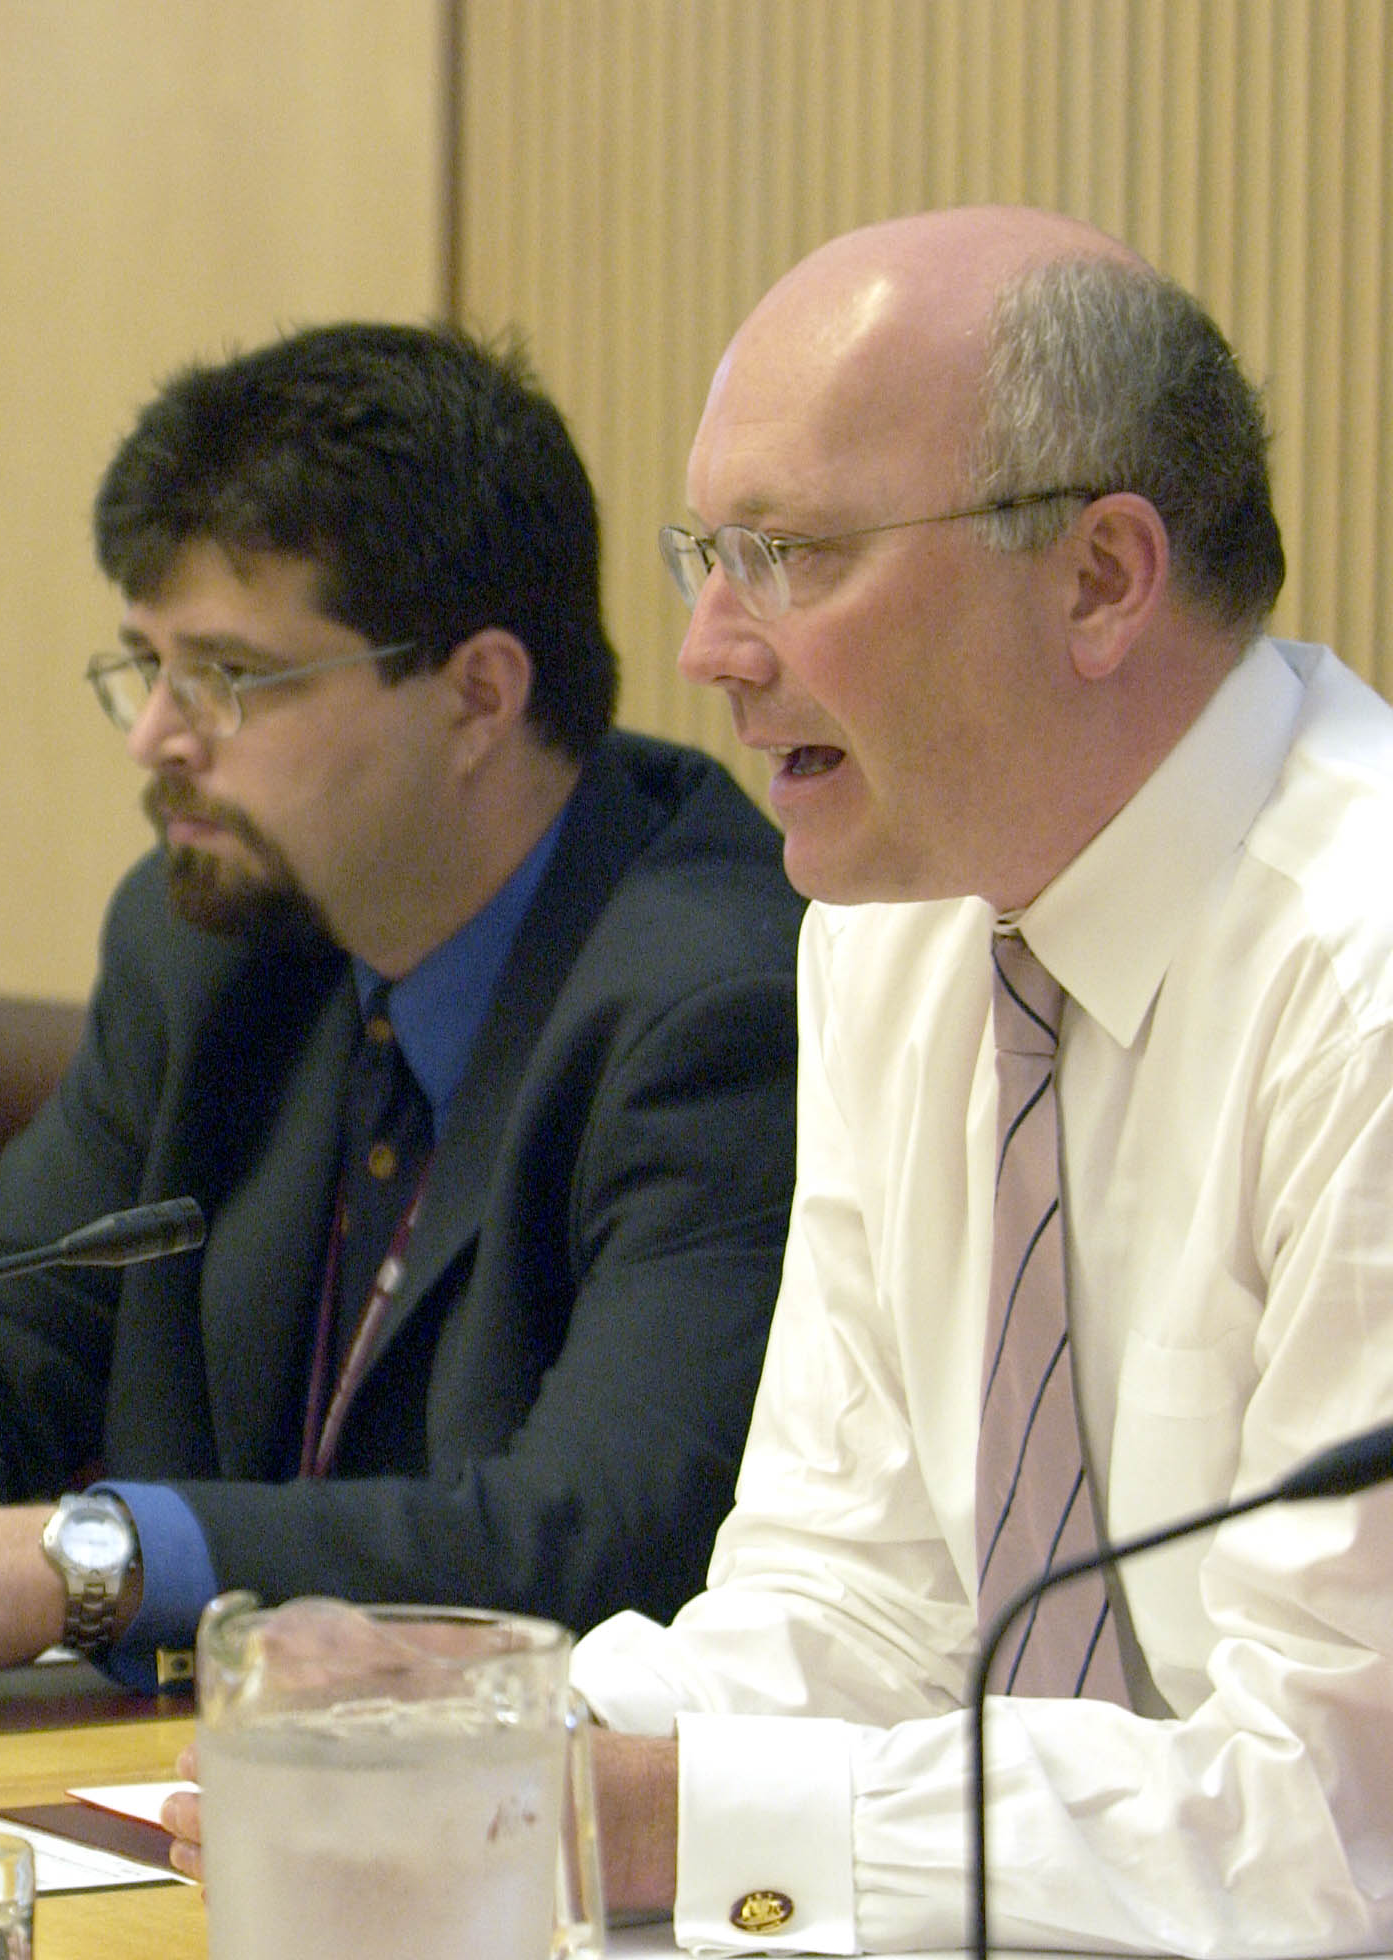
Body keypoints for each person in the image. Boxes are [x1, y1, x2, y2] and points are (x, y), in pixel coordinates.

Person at [168, 208, 1393, 1953]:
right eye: (707, 560)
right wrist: (492, 1738)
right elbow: (856, 1602)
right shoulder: (899, 931)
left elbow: (1340, 1828)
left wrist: (661, 1822)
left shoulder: (1361, 979)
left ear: (1100, 579)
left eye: (791, 556)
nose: (711, 650)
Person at [0, 323, 804, 1691]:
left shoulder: (712, 1006)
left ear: (477, 695)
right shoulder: (207, 947)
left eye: (227, 678)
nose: (156, 737)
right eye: (148, 665)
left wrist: (81, 1565)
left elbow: (600, 1534)